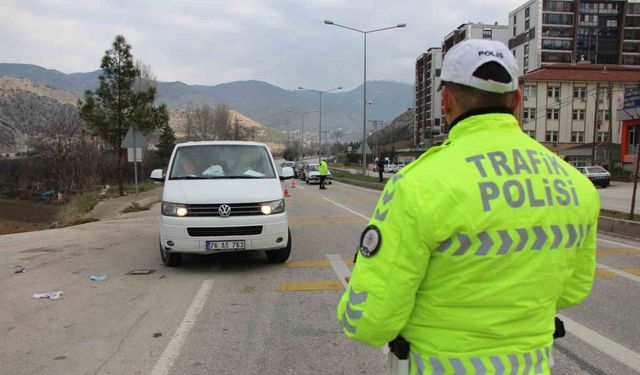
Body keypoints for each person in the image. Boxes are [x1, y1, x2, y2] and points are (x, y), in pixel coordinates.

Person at [336, 39, 600, 375]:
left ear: (445, 100)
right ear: (517, 100)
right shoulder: (575, 185)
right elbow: (573, 290)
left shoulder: (419, 185)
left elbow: (370, 321)